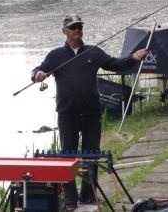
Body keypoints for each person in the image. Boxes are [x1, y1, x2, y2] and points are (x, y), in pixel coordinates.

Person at [32, 16, 148, 210]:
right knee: (67, 156)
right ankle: (70, 199)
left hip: (92, 113)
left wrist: (134, 58)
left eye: (79, 27)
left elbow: (116, 64)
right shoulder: (55, 55)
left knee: (91, 155)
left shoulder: (94, 52)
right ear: (65, 31)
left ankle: (88, 196)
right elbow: (38, 70)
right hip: (67, 113)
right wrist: (37, 75)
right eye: (73, 27)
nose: (77, 30)